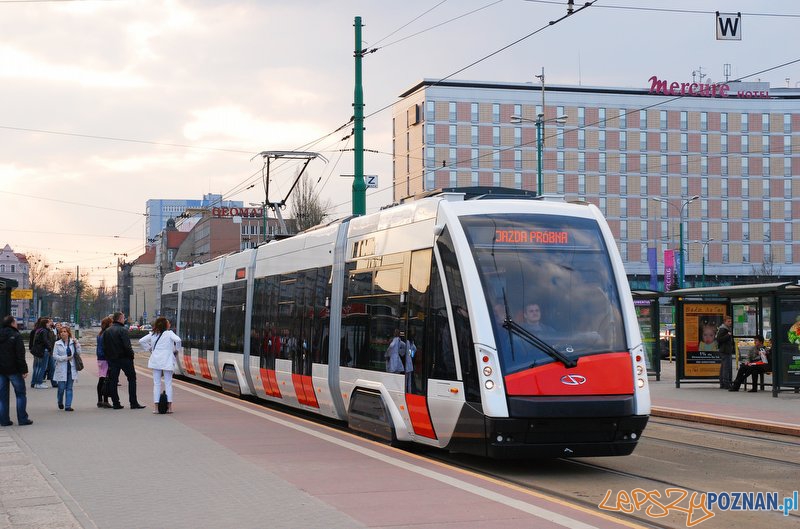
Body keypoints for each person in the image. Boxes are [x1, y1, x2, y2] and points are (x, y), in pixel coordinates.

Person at [103, 312, 146, 410]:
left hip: (113, 359)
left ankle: (116, 403)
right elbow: (127, 346)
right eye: (123, 318)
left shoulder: (107, 331)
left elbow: (105, 347)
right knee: (132, 379)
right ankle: (133, 402)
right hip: (125, 358)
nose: (124, 319)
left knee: (113, 380)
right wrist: (131, 355)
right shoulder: (123, 330)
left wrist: (108, 358)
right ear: (119, 319)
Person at [139, 316, 182, 414]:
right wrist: (176, 350)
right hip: (167, 361)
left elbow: (141, 341)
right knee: (168, 383)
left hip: (156, 361)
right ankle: (170, 407)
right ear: (166, 325)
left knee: (156, 383)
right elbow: (178, 340)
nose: (169, 324)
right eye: (168, 323)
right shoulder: (169, 333)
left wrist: (150, 349)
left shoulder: (153, 334)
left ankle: (156, 408)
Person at [0, 316, 33, 426]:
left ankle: (4, 420)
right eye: (15, 321)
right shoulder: (16, 335)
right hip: (14, 370)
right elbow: (20, 355)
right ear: (12, 323)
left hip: (1, 370)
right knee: (20, 394)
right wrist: (24, 370)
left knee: (2, 397)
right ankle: (22, 419)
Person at [52, 325, 80, 411]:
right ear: (59, 334)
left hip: (71, 368)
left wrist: (77, 344)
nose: (63, 333)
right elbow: (55, 356)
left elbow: (78, 353)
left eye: (65, 331)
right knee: (61, 388)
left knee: (69, 388)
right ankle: (60, 401)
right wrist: (65, 358)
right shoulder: (57, 343)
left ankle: (68, 406)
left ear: (68, 333)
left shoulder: (73, 342)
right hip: (61, 368)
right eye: (61, 332)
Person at [29, 317, 53, 389]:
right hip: (43, 351)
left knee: (37, 367)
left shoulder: (39, 330)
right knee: (42, 367)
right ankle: (39, 383)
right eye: (48, 323)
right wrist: (50, 348)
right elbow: (45, 341)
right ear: (45, 324)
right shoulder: (45, 331)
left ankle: (34, 382)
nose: (50, 324)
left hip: (37, 351)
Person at [95, 317, 113, 408]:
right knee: (106, 379)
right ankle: (105, 400)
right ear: (109, 324)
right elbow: (107, 347)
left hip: (100, 358)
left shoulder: (100, 334)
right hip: (105, 358)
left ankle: (99, 400)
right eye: (111, 323)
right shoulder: (107, 333)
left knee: (101, 379)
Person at [715, 315, 734, 389]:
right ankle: (726, 384)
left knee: (723, 367)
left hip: (726, 350)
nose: (730, 323)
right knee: (726, 367)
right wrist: (728, 335)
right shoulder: (723, 329)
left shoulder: (726, 329)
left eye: (730, 321)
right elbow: (719, 339)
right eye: (728, 321)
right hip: (725, 350)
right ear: (724, 322)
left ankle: (722, 383)